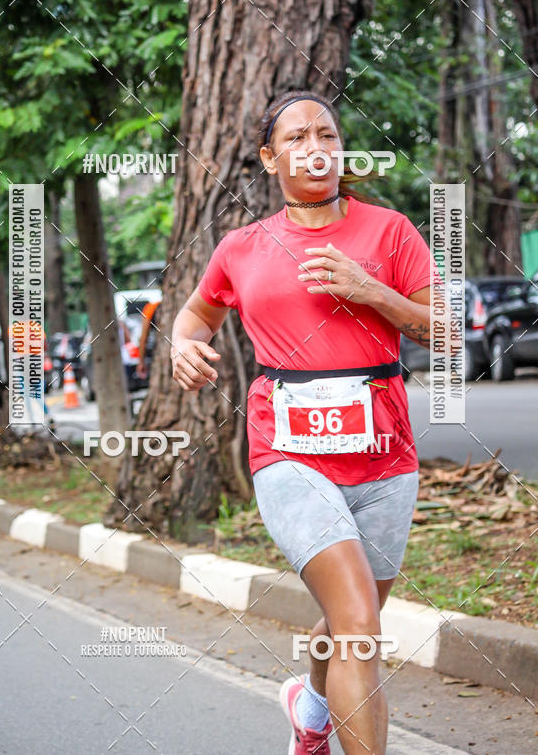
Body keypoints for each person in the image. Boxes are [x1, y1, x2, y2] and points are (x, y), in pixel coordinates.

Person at [170, 90, 434, 755]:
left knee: (352, 617)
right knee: (358, 628)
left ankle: (310, 707)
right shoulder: (242, 247)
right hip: (289, 454)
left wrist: (371, 290)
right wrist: (182, 344)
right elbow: (197, 313)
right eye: (295, 138)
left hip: (385, 461)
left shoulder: (390, 232)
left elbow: (449, 334)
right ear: (270, 157)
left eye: (326, 134)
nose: (314, 147)